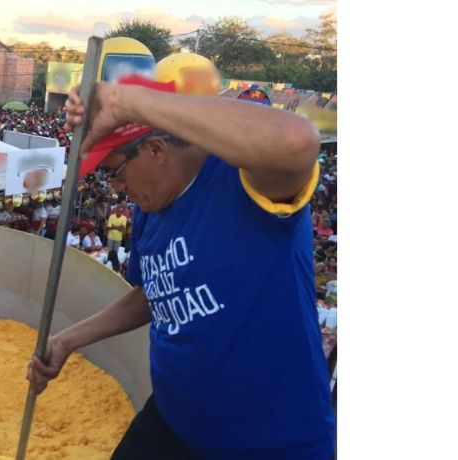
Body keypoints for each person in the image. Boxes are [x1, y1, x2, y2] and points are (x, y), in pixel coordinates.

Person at [27, 74, 335, 459]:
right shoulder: (149, 210)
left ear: (155, 149)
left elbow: (297, 141)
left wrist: (126, 102)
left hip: (270, 443)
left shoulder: (242, 182)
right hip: (173, 424)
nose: (115, 189)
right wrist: (67, 340)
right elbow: (153, 293)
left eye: (113, 171)